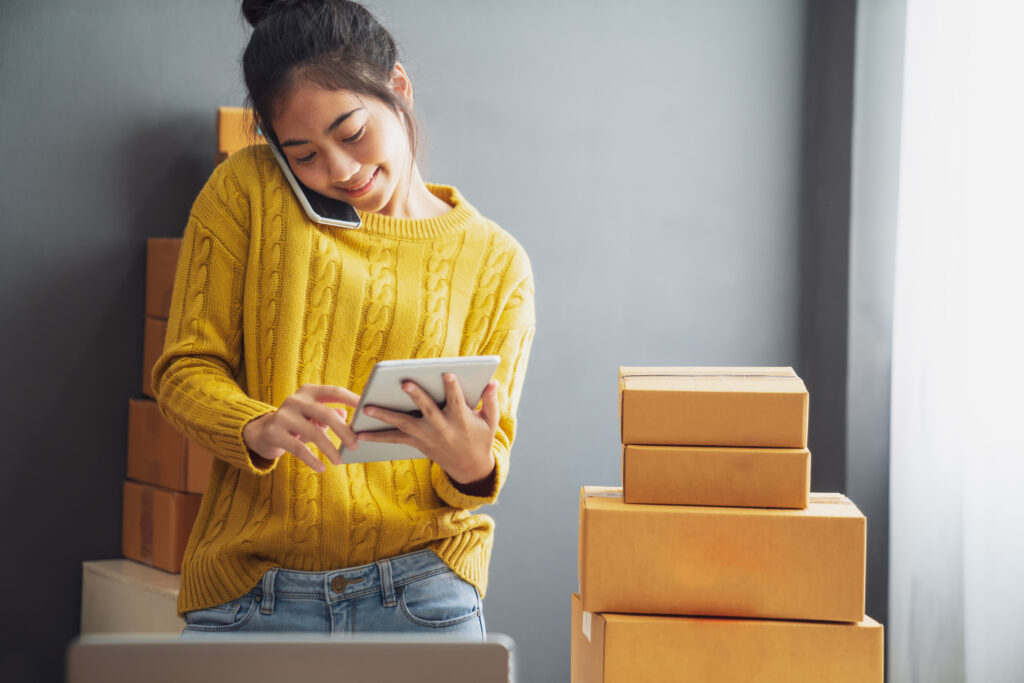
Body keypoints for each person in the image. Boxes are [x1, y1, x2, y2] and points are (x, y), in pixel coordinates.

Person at [152, 0, 535, 639]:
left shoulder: (497, 263)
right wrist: (261, 426)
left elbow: (485, 459)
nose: (340, 170)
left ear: (399, 89)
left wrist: (471, 464)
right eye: (303, 153)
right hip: (252, 597)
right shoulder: (247, 191)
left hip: (423, 596)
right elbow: (183, 372)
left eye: (352, 132)